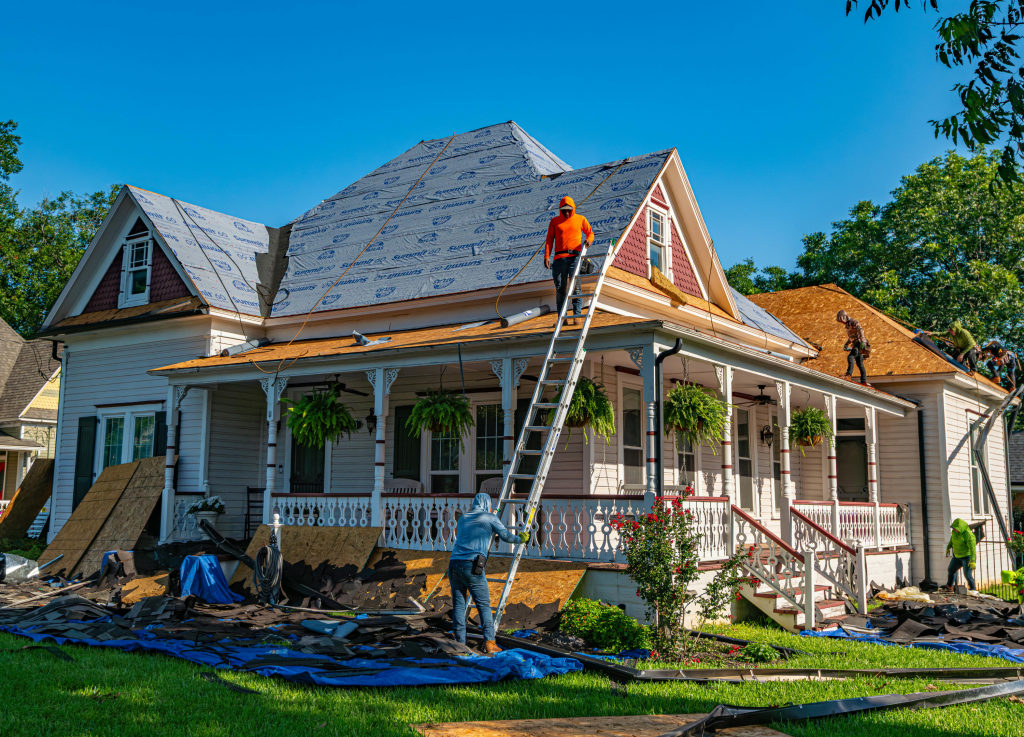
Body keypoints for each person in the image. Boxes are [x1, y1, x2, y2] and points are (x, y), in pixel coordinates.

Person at [448, 492, 529, 654]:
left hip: (453, 563)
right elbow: (505, 536)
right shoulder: (490, 518)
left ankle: (460, 643)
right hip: (471, 566)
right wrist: (521, 539)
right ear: (487, 504)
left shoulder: (464, 518)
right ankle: (490, 644)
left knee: (459, 604)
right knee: (484, 605)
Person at [544, 196, 594, 325]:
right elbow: (549, 240)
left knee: (575, 287)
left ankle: (576, 316)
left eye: (569, 210)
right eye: (564, 210)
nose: (566, 213)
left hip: (574, 257)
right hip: (559, 259)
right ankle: (562, 318)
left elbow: (590, 233)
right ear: (560, 210)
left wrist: (588, 241)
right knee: (560, 288)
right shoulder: (555, 221)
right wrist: (546, 256)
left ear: (573, 209)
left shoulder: (580, 219)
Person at [941, 518, 977, 591]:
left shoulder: (969, 535)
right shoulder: (954, 532)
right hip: (957, 556)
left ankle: (973, 590)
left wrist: (972, 561)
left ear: (961, 528)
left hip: (967, 557)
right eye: (954, 528)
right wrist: (948, 546)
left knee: (967, 575)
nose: (955, 530)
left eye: (957, 529)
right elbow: (952, 539)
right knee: (951, 570)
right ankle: (950, 586)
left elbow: (973, 549)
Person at [837, 310, 870, 386]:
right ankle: (864, 381)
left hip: (859, 343)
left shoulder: (853, 322)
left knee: (850, 357)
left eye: (842, 319)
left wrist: (862, 341)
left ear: (845, 317)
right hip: (856, 343)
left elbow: (861, 330)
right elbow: (851, 337)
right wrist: (846, 344)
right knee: (859, 363)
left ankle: (848, 374)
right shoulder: (848, 325)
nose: (842, 322)